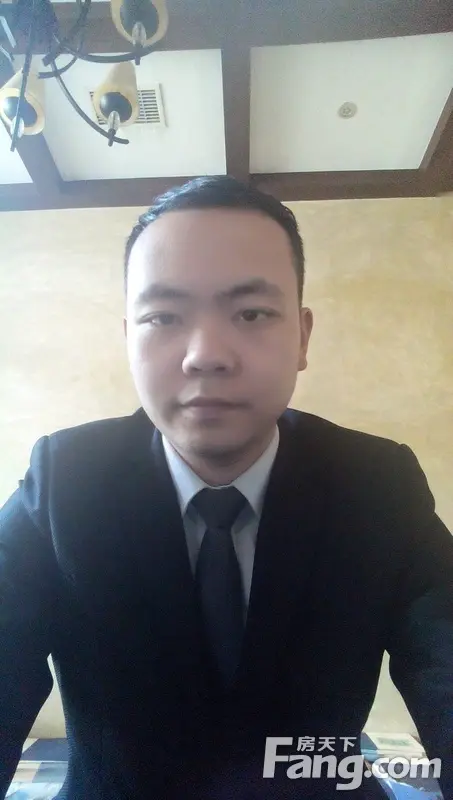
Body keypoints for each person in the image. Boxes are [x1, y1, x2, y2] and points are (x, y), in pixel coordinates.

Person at [0, 176, 452, 800]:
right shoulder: (63, 480)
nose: (206, 355)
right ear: (129, 339)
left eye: (252, 313)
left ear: (303, 337)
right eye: (163, 316)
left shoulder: (378, 484)